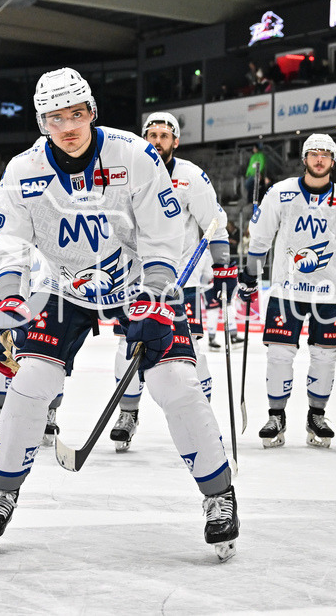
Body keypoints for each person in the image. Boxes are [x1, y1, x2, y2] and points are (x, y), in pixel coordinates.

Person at [0, 67, 238, 559]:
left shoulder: (133, 154)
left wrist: (156, 292)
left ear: (92, 112)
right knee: (30, 382)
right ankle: (2, 492)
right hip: (64, 285)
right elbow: (7, 238)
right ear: (41, 123)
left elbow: (164, 228)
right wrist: (9, 298)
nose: (68, 126)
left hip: (138, 278)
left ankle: (220, 497)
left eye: (77, 114)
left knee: (175, 383)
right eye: (55, 118)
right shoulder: (22, 169)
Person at [109, 111, 232, 452]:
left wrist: (222, 267)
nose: (158, 141)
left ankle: (201, 415)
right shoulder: (127, 174)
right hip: (134, 281)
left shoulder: (191, 177)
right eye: (152, 134)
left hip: (182, 283)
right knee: (126, 347)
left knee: (190, 352)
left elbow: (214, 224)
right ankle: (128, 414)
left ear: (175, 141)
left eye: (165, 135)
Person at [241, 133, 336, 449]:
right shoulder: (281, 193)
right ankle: (276, 415)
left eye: (325, 154)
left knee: (325, 357)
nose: (319, 159)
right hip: (287, 291)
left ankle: (316, 414)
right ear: (304, 158)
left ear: (333, 160)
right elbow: (261, 238)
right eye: (313, 153)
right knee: (279, 354)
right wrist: (248, 275)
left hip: (330, 295)